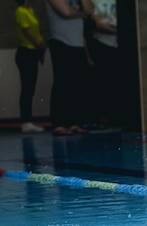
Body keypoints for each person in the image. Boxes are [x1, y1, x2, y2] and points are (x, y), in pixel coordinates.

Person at [45, 0, 94, 136]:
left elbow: (90, 10)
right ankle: (59, 123)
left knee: (77, 84)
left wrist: (81, 12)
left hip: (77, 43)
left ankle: (75, 122)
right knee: (62, 82)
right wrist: (81, 14)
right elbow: (66, 12)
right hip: (61, 41)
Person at [14, 0, 46, 133]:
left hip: (34, 52)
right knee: (27, 87)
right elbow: (27, 32)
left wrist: (41, 49)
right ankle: (26, 122)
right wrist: (39, 45)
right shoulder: (20, 11)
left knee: (30, 87)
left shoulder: (30, 10)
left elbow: (36, 32)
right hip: (25, 52)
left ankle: (28, 120)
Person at [90, 0, 119, 127]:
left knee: (117, 82)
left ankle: (116, 116)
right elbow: (97, 23)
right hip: (102, 43)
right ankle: (102, 116)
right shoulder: (95, 2)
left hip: (120, 45)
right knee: (103, 81)